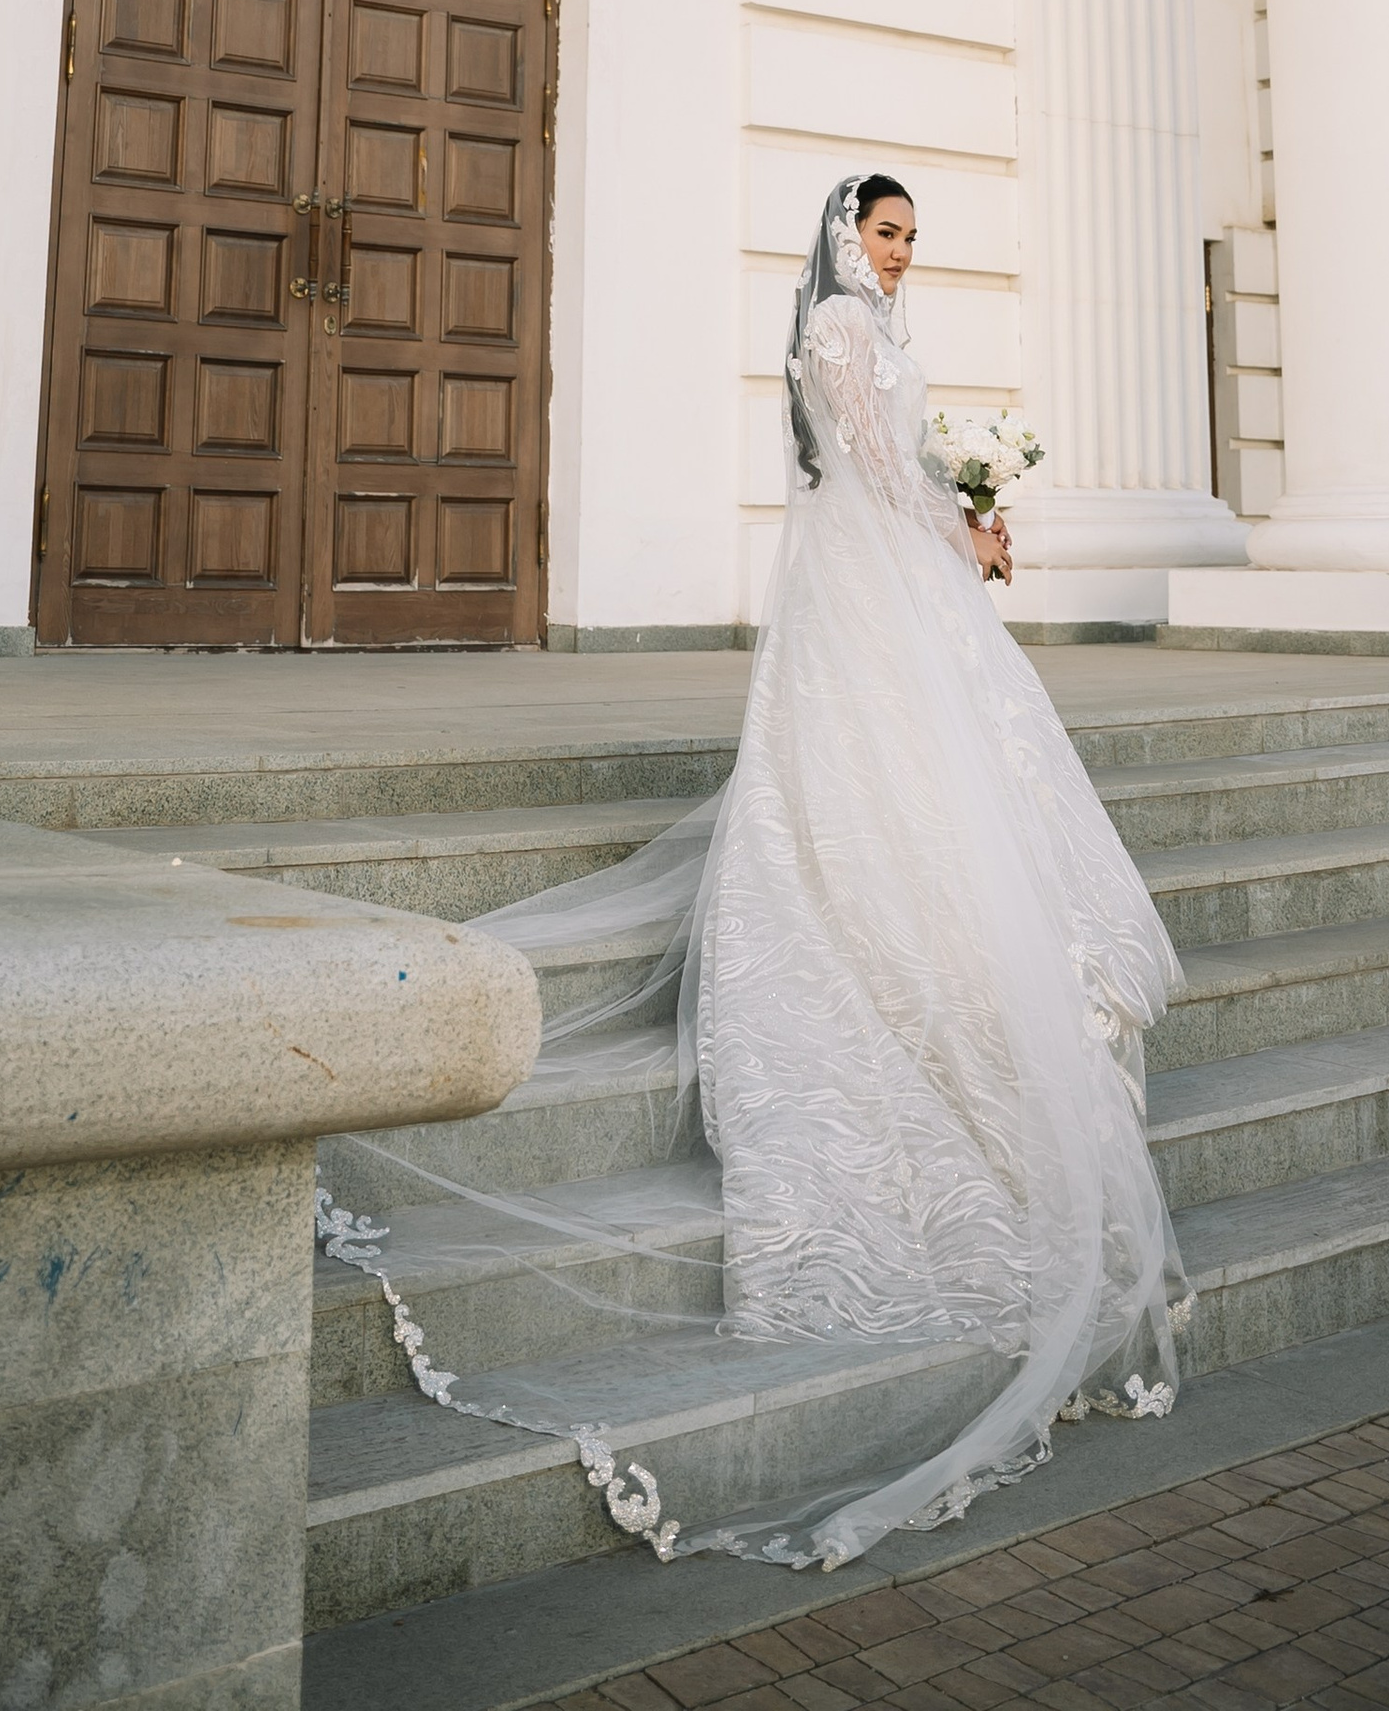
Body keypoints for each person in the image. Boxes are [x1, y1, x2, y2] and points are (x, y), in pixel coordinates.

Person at [317, 169, 1188, 1572]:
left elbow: (916, 465)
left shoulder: (889, 330)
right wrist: (956, 520)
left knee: (944, 771)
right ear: (847, 236)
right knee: (863, 776)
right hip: (870, 574)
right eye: (887, 233)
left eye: (911, 240)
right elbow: (873, 468)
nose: (901, 256)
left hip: (901, 577)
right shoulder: (844, 332)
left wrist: (974, 514)